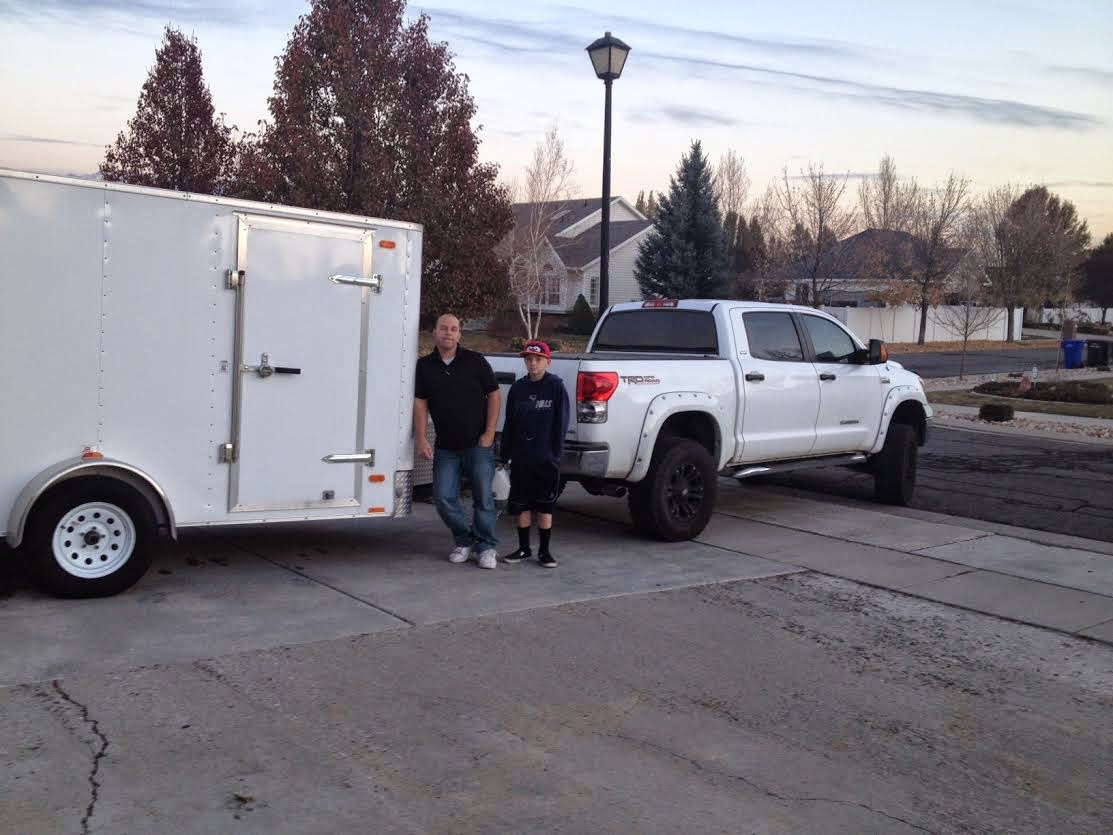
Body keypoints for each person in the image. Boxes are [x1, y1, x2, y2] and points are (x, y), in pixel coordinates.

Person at [414, 314, 501, 569]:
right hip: (446, 447)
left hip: (478, 445)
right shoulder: (424, 366)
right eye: (443, 328)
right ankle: (464, 540)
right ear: (434, 332)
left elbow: (494, 395)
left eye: (453, 329)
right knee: (442, 497)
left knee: (483, 499)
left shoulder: (475, 361)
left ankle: (486, 547)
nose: (448, 333)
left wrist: (490, 432)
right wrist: (421, 438)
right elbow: (420, 403)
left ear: (459, 334)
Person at [499, 340, 570, 568]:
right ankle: (523, 548)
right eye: (529, 359)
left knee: (544, 505)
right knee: (522, 504)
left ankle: (544, 551)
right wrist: (505, 453)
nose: (533, 363)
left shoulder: (555, 387)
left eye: (538, 359)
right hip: (522, 457)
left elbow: (561, 422)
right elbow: (510, 423)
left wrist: (554, 453)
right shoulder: (518, 389)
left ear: (547, 361)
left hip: (545, 457)